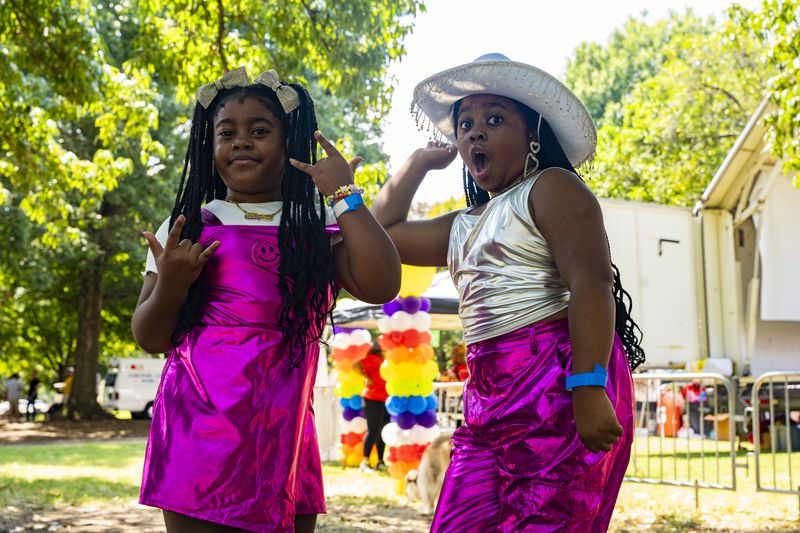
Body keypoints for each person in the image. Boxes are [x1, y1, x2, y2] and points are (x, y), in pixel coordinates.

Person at [372, 54, 644, 531]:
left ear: (534, 134)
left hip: (556, 382)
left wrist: (588, 384)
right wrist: (417, 163)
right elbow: (381, 235)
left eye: (494, 119)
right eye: (465, 124)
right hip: (488, 397)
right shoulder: (463, 225)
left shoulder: (552, 187)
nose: (474, 132)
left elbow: (590, 285)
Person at [132, 66, 401, 533]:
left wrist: (344, 195)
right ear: (208, 145)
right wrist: (173, 282)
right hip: (198, 433)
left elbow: (383, 284)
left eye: (259, 130)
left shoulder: (316, 233)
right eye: (226, 132)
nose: (241, 141)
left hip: (285, 434)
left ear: (291, 144)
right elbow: (149, 336)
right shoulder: (188, 229)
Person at [357, 347, 390, 471]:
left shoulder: (383, 360)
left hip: (384, 398)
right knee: (373, 430)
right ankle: (365, 462)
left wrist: (366, 376)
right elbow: (357, 364)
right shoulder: (372, 359)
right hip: (373, 397)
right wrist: (366, 377)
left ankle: (380, 461)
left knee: (381, 430)